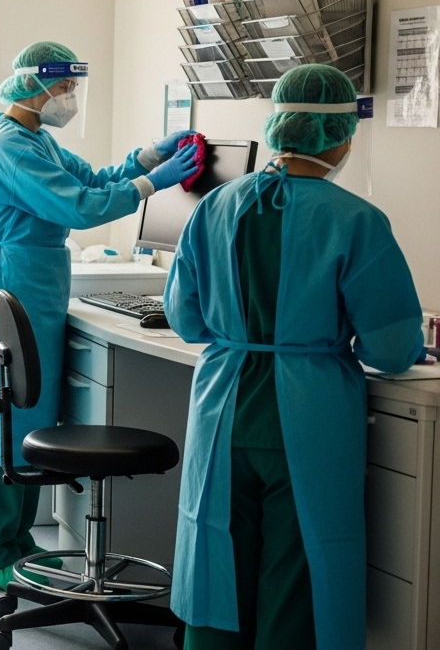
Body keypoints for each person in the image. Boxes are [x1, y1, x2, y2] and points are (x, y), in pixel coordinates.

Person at [166, 64, 423, 650]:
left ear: (280, 124)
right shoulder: (356, 219)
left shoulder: (214, 206)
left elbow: (185, 320)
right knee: (300, 566)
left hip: (223, 407)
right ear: (340, 137)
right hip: (308, 419)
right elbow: (391, 348)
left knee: (217, 560)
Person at [0, 41, 202, 589]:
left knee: (29, 414)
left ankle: (17, 542)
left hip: (35, 280)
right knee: (1, 420)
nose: (70, 97)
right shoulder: (9, 148)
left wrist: (148, 158)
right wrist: (153, 185)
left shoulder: (35, 139)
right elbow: (81, 207)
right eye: (64, 87)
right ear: (35, 86)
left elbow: (91, 179)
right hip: (12, 278)